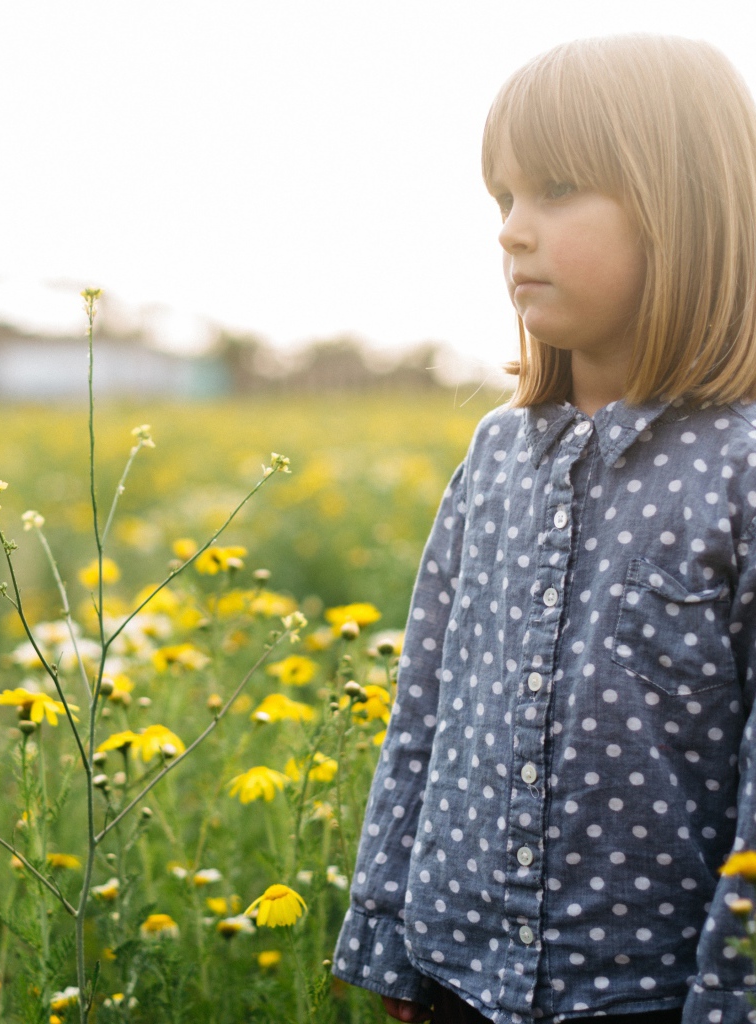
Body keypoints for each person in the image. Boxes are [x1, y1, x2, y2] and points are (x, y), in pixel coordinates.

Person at [332, 35, 756, 1024]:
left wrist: (733, 994)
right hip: (454, 977)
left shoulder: (740, 464)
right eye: (502, 199)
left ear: (687, 208)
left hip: (645, 995)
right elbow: (422, 709)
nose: (512, 232)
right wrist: (388, 934)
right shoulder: (495, 453)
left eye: (558, 189)